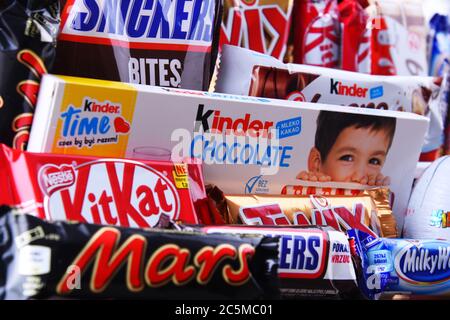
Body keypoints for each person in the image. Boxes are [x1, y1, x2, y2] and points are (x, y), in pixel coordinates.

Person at [297, 110, 396, 186]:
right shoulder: (303, 195)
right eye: (347, 158)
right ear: (316, 163)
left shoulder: (378, 204)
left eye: (374, 161)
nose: (359, 177)